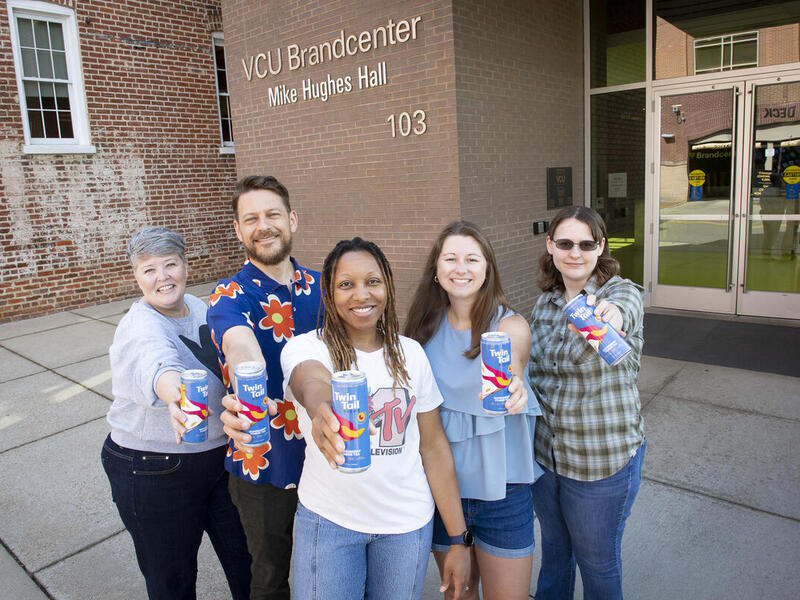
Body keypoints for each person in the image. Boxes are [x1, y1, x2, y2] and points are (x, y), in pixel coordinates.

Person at [223, 237, 471, 599]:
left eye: (372, 281)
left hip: (406, 524)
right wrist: (323, 409)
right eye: (346, 284)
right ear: (329, 292)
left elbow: (433, 448)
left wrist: (457, 540)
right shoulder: (307, 347)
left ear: (387, 285)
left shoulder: (412, 354)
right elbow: (311, 380)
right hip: (329, 521)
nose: (361, 295)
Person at [101, 226, 251, 600]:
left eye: (170, 264)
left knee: (247, 561)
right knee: (173, 580)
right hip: (153, 468)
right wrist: (175, 397)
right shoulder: (140, 325)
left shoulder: (198, 307)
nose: (162, 277)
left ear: (185, 265)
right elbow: (158, 365)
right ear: (136, 276)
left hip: (218, 461)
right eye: (149, 269)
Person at [405, 221, 542, 600]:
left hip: (503, 491)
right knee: (458, 596)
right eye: (450, 258)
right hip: (442, 494)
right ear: (436, 269)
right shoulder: (420, 331)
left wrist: (513, 382)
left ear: (487, 269)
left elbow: (512, 357)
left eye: (471, 259)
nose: (460, 268)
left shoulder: (510, 324)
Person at [204, 175, 322, 600]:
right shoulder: (228, 297)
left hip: (329, 457)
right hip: (263, 461)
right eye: (250, 218)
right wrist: (247, 382)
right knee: (270, 579)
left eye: (272, 214)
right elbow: (240, 346)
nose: (263, 225)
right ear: (238, 230)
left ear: (292, 219)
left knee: (328, 571)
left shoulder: (327, 287)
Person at [527, 206, 646, 600]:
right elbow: (537, 374)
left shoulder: (618, 293)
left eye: (586, 243)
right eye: (565, 243)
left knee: (598, 564)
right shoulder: (544, 305)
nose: (574, 252)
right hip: (548, 459)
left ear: (601, 247)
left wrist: (611, 316)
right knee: (556, 555)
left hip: (600, 462)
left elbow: (624, 308)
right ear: (550, 246)